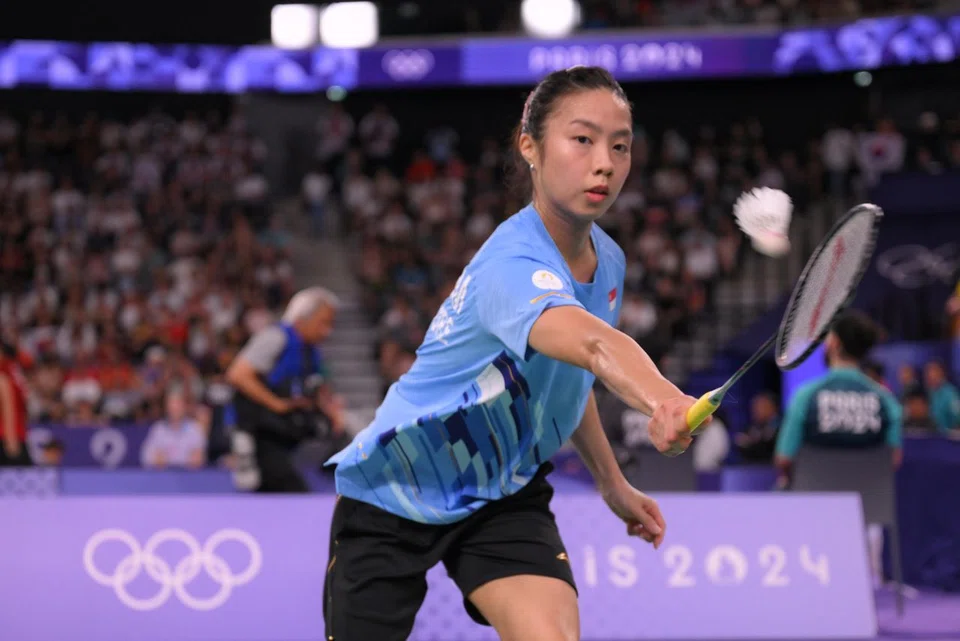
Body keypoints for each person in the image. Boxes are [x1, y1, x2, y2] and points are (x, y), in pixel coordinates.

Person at [323, 66, 701, 641]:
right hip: (399, 484)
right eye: (582, 139)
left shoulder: (610, 262)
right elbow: (597, 346)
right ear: (530, 146)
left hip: (502, 486)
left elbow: (568, 382)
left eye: (620, 146)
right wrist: (664, 400)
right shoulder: (511, 264)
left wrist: (611, 482)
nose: (604, 162)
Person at [773, 310, 902, 586]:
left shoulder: (806, 396)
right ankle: (871, 582)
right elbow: (893, 459)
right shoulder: (886, 400)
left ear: (835, 344)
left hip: (814, 508)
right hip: (868, 509)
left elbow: (784, 458)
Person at [227, 287, 344, 493]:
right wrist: (277, 404)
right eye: (323, 322)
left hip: (286, 434)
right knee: (290, 489)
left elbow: (316, 387)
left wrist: (331, 411)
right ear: (302, 319)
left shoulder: (311, 351)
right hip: (260, 431)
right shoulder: (276, 338)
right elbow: (238, 374)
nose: (328, 331)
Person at [0, 342, 30, 467]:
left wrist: (10, 437)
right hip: (10, 434)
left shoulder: (7, 376)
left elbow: (10, 409)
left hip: (9, 435)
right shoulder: (9, 376)